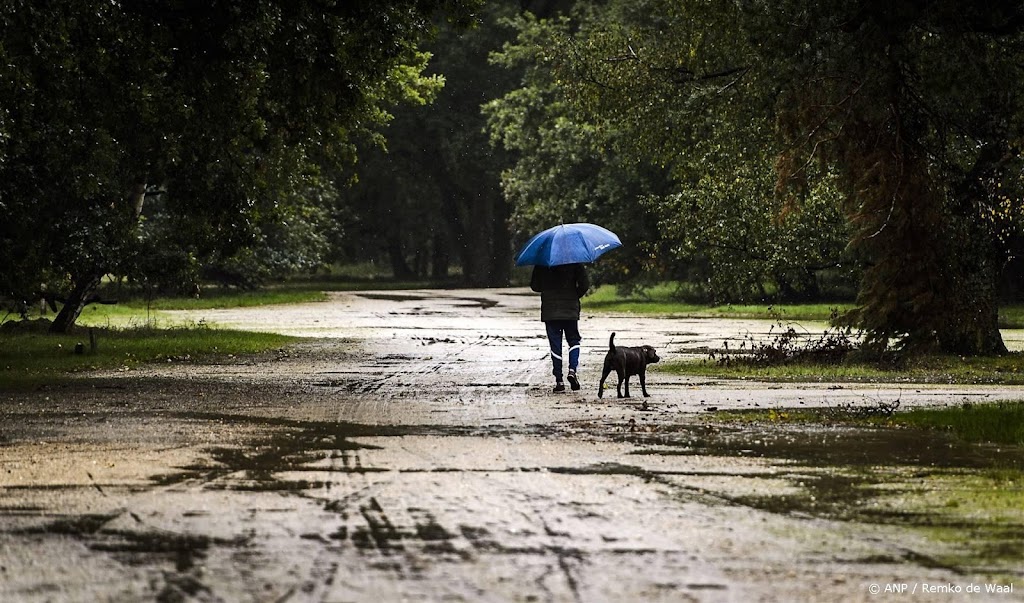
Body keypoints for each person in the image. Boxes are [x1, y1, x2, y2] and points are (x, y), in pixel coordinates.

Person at [530, 262, 590, 392]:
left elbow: (535, 286)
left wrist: (547, 285)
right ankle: (572, 370)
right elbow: (585, 284)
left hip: (550, 310)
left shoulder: (542, 262)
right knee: (573, 340)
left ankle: (559, 381)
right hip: (570, 310)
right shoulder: (574, 261)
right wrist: (574, 295)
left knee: (555, 345)